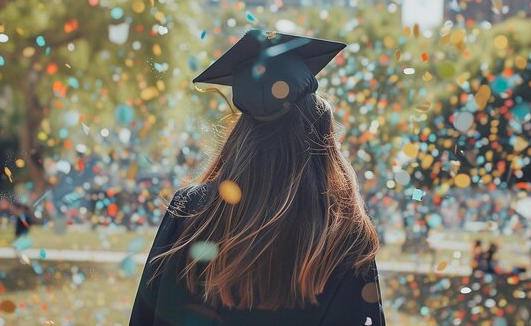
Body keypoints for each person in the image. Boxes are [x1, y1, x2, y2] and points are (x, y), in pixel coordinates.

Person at [129, 30, 386, 326]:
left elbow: (145, 317)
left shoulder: (191, 210)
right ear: (320, 129)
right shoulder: (341, 231)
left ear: (242, 134)